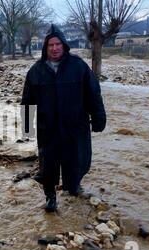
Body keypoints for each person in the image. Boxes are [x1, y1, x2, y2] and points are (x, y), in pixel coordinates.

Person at [21, 24, 106, 213]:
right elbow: (27, 100)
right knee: (48, 166)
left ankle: (74, 186)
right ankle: (50, 196)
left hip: (75, 127)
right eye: (50, 45)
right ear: (45, 48)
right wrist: (27, 126)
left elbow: (93, 93)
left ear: (64, 45)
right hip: (48, 129)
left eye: (58, 44)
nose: (54, 48)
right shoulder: (36, 71)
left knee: (77, 160)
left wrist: (99, 117)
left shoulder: (78, 66)